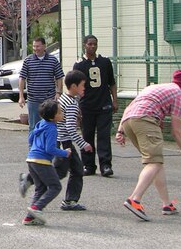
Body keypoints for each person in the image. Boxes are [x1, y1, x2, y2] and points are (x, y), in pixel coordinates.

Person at [116, 69, 181, 220]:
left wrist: (120, 131)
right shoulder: (178, 95)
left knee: (155, 163)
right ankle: (134, 199)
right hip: (146, 119)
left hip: (129, 121)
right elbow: (177, 131)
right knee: (154, 162)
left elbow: (130, 106)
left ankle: (167, 204)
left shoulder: (154, 88)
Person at [20, 99, 72, 226]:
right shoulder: (52, 128)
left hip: (31, 159)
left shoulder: (40, 124)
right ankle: (36, 208)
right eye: (60, 112)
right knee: (55, 187)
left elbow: (31, 137)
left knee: (40, 188)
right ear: (53, 116)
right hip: (41, 161)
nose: (62, 113)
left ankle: (29, 218)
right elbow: (50, 149)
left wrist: (35, 148)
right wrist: (65, 153)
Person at [73, 35, 119, 177]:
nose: (92, 47)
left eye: (95, 44)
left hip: (103, 104)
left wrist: (114, 100)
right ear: (84, 45)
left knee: (104, 136)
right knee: (87, 136)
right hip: (86, 105)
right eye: (90, 44)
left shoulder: (104, 62)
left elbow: (111, 83)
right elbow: (75, 87)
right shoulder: (79, 65)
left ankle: (105, 165)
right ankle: (88, 165)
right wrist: (77, 106)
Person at [56, 70, 88, 211]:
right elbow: (70, 127)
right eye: (82, 85)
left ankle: (70, 200)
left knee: (65, 171)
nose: (84, 88)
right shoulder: (71, 104)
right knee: (71, 171)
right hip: (65, 142)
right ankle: (69, 201)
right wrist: (83, 144)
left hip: (59, 140)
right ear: (74, 86)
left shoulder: (63, 98)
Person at [18, 37, 63, 129]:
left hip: (49, 99)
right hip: (33, 99)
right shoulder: (28, 60)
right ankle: (33, 143)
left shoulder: (53, 60)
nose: (35, 48)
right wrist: (21, 96)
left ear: (44, 46)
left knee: (50, 125)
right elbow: (22, 78)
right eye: (34, 46)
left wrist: (58, 92)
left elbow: (59, 77)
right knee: (33, 126)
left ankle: (50, 143)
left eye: (38, 46)